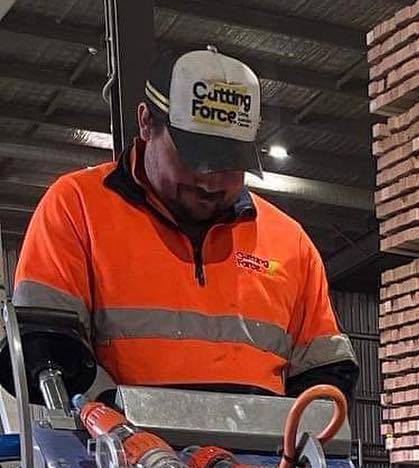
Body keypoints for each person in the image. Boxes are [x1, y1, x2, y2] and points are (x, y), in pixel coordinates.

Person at [13, 46, 357, 398]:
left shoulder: (290, 243)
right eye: (194, 158)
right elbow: (48, 351)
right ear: (147, 122)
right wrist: (117, 427)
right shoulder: (77, 208)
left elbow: (324, 372)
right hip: (115, 449)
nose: (210, 182)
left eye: (227, 164)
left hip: (259, 454)